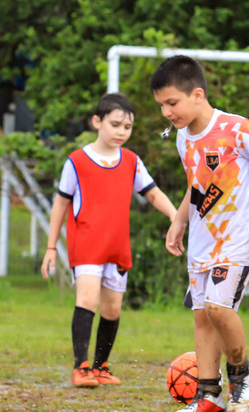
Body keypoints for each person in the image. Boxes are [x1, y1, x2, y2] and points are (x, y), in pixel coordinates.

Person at [153, 55, 249, 412]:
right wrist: (179, 221)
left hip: (237, 240)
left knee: (218, 308)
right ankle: (208, 395)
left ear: (197, 94)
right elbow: (196, 186)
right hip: (201, 241)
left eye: (171, 103)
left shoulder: (236, 128)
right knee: (202, 316)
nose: (166, 112)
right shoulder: (182, 138)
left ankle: (241, 376)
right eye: (160, 105)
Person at [41, 93, 178, 388]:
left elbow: (153, 193)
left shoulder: (131, 161)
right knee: (88, 300)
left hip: (117, 246)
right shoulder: (76, 161)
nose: (121, 132)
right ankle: (81, 367)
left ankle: (101, 366)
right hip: (86, 244)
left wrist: (175, 216)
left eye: (127, 127)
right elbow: (60, 204)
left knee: (112, 308)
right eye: (115, 125)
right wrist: (51, 247)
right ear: (97, 122)